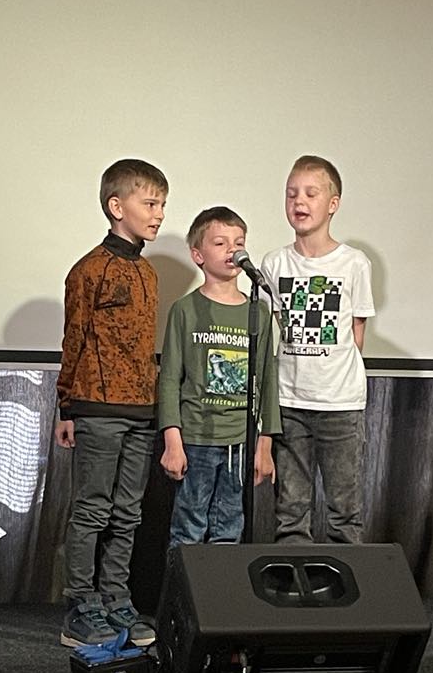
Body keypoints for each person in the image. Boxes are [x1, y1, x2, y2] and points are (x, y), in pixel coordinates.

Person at [55, 158, 168, 647]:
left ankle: (117, 599)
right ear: (117, 206)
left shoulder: (148, 272)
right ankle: (81, 606)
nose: (159, 213)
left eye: (162, 205)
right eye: (151, 203)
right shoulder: (89, 270)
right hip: (97, 408)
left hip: (141, 411)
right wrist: (66, 405)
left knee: (128, 513)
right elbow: (74, 339)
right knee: (92, 511)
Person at [261, 155, 375, 543]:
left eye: (311, 193)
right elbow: (279, 325)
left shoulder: (353, 263)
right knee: (290, 509)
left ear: (333, 203)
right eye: (291, 193)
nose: (299, 201)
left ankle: (345, 581)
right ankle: (293, 575)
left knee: (344, 511)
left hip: (340, 404)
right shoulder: (274, 263)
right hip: (290, 402)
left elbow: (357, 333)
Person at [158, 206, 281, 547]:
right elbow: (170, 378)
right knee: (188, 528)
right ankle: (181, 584)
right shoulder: (185, 310)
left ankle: (221, 584)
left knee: (229, 528)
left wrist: (265, 444)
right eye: (220, 243)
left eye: (239, 243)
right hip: (196, 438)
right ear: (198, 255)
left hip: (239, 442)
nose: (232, 250)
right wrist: (172, 440)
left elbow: (267, 380)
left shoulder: (258, 311)